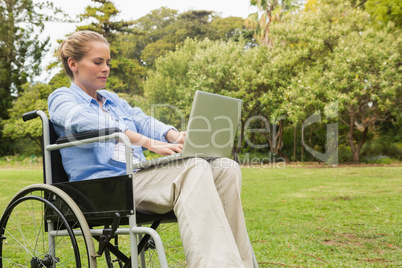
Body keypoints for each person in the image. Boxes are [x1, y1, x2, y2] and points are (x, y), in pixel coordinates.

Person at [48, 30, 253, 268]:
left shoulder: (111, 99)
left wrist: (174, 135)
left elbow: (142, 119)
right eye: (98, 62)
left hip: (136, 176)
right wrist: (148, 143)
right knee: (193, 168)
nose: (106, 68)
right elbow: (93, 124)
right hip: (103, 186)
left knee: (226, 167)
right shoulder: (62, 98)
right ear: (73, 64)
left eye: (108, 63)